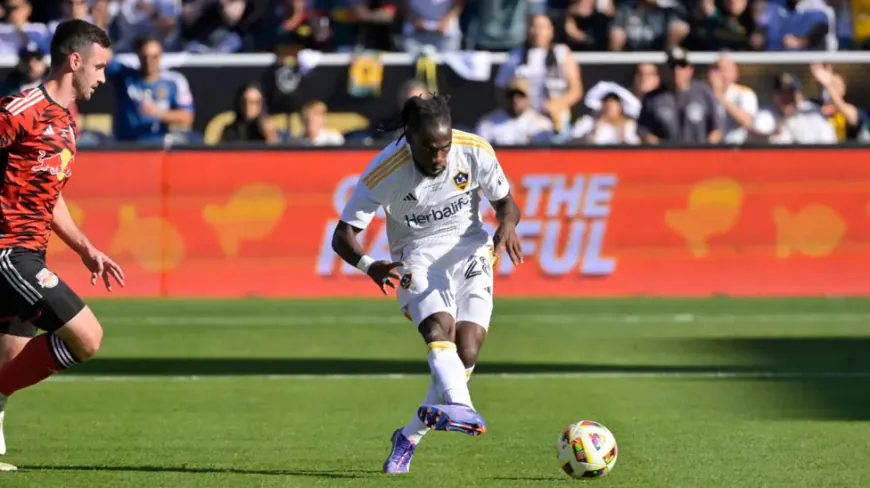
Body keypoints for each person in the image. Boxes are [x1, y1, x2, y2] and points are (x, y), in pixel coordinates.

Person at [331, 94, 523, 474]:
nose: (439, 158)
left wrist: (509, 223)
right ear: (410, 137)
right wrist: (371, 266)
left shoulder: (474, 150)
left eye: (444, 148)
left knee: (466, 352)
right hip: (415, 256)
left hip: (470, 249)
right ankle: (463, 408)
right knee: (439, 329)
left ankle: (408, 437)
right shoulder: (385, 170)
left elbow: (506, 202)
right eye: (430, 149)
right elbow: (343, 235)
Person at [0, 19, 124, 472]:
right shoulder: (20, 110)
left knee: (10, 364)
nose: (103, 77)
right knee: (87, 337)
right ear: (75, 61)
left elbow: (48, 196)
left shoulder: (66, 123)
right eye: (100, 67)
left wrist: (84, 248)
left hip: (30, 252)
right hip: (7, 251)